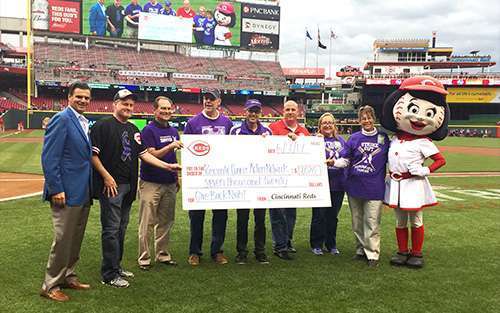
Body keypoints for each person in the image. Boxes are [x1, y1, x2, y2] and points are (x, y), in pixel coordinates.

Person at [90, 89, 181, 288]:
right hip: (111, 187)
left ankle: (117, 266)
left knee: (121, 229)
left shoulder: (133, 129)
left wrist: (168, 167)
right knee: (111, 230)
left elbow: (144, 155)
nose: (128, 107)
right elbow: (93, 155)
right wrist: (106, 177)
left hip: (128, 186)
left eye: (131, 105)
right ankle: (109, 274)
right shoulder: (102, 125)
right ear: (115, 104)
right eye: (124, 103)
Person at [380, 76, 449, 268]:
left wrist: (424, 170)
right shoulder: (395, 139)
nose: (419, 118)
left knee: (416, 219)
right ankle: (402, 251)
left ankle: (416, 252)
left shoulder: (423, 142)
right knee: (400, 220)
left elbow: (440, 160)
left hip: (414, 184)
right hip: (396, 183)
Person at [40, 82, 93, 302]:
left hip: (82, 189)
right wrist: (56, 188)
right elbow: (49, 157)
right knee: (63, 239)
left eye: (86, 98)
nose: (82, 100)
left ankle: (68, 275)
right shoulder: (61, 119)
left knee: (75, 237)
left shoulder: (83, 121)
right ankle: (50, 284)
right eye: (78, 97)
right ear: (69, 97)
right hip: (66, 191)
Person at [183, 88, 233, 266]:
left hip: (220, 177)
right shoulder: (193, 122)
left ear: (219, 101)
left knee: (220, 216)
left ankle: (217, 250)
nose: (208, 101)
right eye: (205, 98)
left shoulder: (227, 123)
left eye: (211, 98)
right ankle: (194, 251)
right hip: (200, 177)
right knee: (196, 217)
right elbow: (188, 151)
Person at [339, 105, 389, 267]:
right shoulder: (354, 138)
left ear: (374, 119)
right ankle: (360, 250)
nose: (366, 121)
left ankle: (373, 254)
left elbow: (393, 158)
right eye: (363, 118)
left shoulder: (383, 138)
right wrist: (334, 162)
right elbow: (346, 160)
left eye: (369, 117)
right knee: (357, 221)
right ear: (359, 120)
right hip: (354, 186)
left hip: (374, 187)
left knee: (372, 221)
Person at [137, 96, 182, 270]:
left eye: (169, 108)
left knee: (166, 221)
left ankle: (163, 255)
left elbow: (173, 156)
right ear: (154, 110)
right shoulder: (148, 131)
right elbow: (151, 155)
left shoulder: (173, 130)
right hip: (151, 182)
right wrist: (170, 146)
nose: (166, 111)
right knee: (147, 222)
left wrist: (176, 177)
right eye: (162, 108)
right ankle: (144, 258)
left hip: (169, 182)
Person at [230, 99, 272, 264]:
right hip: (242, 181)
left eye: (256, 111)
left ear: (260, 112)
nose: (253, 114)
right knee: (242, 218)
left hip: (261, 181)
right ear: (245, 111)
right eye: (250, 111)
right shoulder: (235, 131)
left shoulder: (267, 131)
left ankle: (260, 251)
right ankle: (241, 251)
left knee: (260, 219)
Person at [268, 100, 310, 260]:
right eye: (287, 109)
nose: (290, 112)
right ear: (283, 111)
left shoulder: (304, 132)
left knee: (291, 213)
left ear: (298, 112)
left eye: (293, 109)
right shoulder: (273, 128)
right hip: (276, 178)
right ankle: (280, 246)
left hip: (295, 179)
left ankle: (287, 240)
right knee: (277, 213)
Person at [310, 113, 346, 256]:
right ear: (319, 126)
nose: (327, 125)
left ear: (334, 125)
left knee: (333, 216)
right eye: (324, 123)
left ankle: (331, 243)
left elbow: (346, 159)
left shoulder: (342, 141)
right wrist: (313, 143)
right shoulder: (314, 141)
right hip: (320, 184)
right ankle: (316, 244)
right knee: (318, 215)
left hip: (337, 184)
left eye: (330, 122)